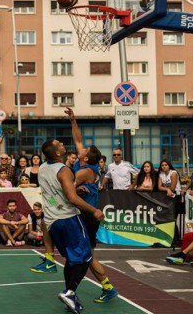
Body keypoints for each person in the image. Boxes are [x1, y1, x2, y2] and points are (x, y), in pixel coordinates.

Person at [38, 136, 104, 314]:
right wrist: (94, 210)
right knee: (86, 257)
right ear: (58, 153)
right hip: (69, 219)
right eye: (58, 143)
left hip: (52, 221)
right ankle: (70, 292)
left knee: (72, 259)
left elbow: (54, 193)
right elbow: (72, 198)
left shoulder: (42, 168)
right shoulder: (64, 170)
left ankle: (70, 295)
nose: (61, 142)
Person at [66, 107, 119, 304]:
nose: (81, 149)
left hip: (87, 216)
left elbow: (67, 187)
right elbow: (78, 139)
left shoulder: (86, 171)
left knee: (86, 256)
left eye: (84, 151)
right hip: (85, 215)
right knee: (86, 255)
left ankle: (75, 290)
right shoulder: (88, 163)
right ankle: (106, 287)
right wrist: (73, 120)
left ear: (86, 158)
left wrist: (75, 190)